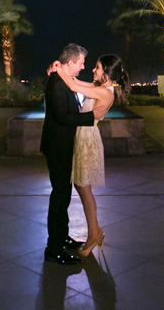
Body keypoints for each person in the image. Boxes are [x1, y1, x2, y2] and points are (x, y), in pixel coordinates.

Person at [51, 54, 130, 258]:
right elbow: (76, 81)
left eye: (97, 67)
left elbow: (74, 87)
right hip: (83, 137)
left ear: (106, 72)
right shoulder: (100, 88)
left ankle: (93, 236)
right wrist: (60, 67)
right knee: (81, 186)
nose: (93, 70)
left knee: (84, 189)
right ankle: (95, 232)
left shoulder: (106, 93)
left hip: (87, 140)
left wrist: (58, 69)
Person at [42, 43, 108, 265]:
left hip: (64, 146)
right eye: (80, 62)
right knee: (59, 197)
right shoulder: (58, 84)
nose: (83, 66)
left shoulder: (64, 81)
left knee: (64, 195)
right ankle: (53, 248)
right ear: (70, 63)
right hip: (57, 147)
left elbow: (77, 86)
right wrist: (90, 118)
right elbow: (62, 117)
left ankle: (62, 237)